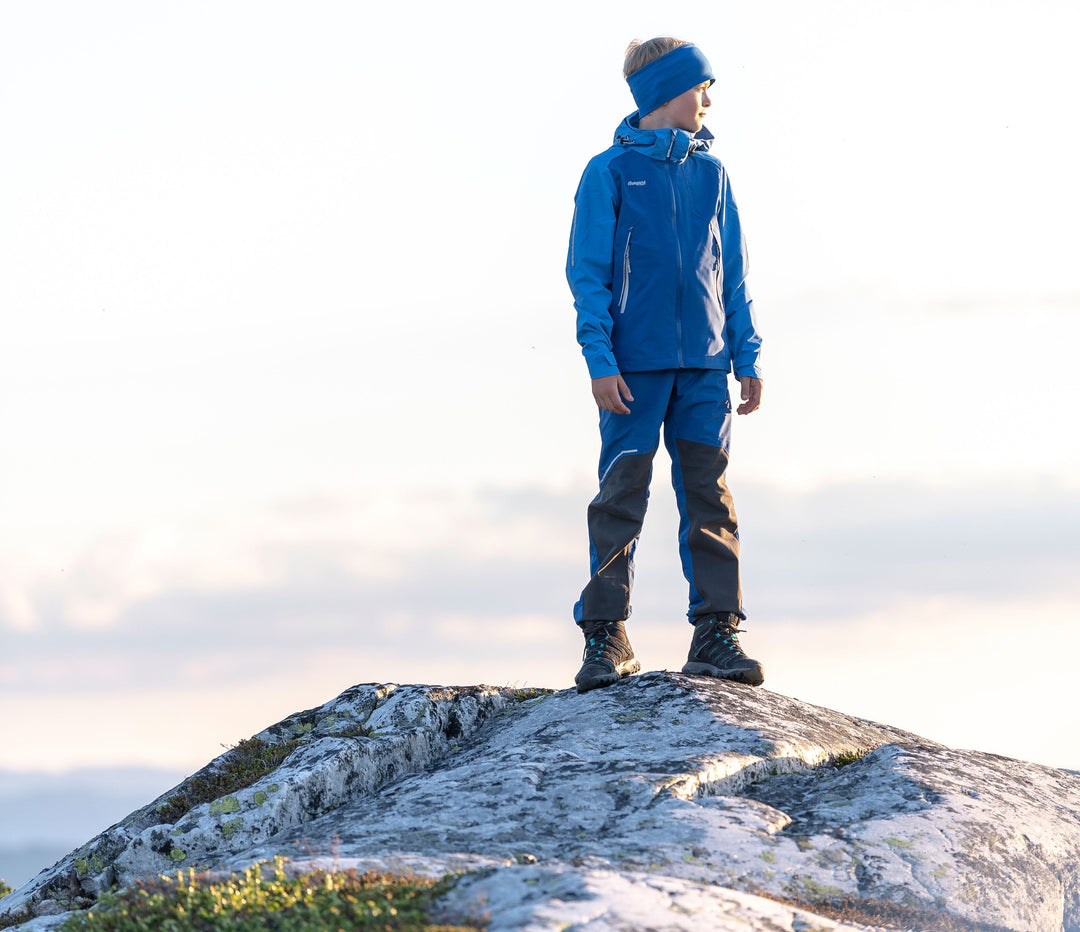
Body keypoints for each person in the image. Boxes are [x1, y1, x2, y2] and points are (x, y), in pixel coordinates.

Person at [566, 37, 765, 694]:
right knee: (621, 495)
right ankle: (606, 634)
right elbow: (588, 275)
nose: (709, 100)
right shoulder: (610, 172)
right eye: (701, 86)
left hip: (706, 367)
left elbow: (732, 273)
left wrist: (746, 353)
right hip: (632, 369)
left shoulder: (714, 175)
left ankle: (716, 633)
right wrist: (600, 360)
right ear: (665, 91)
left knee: (710, 497)